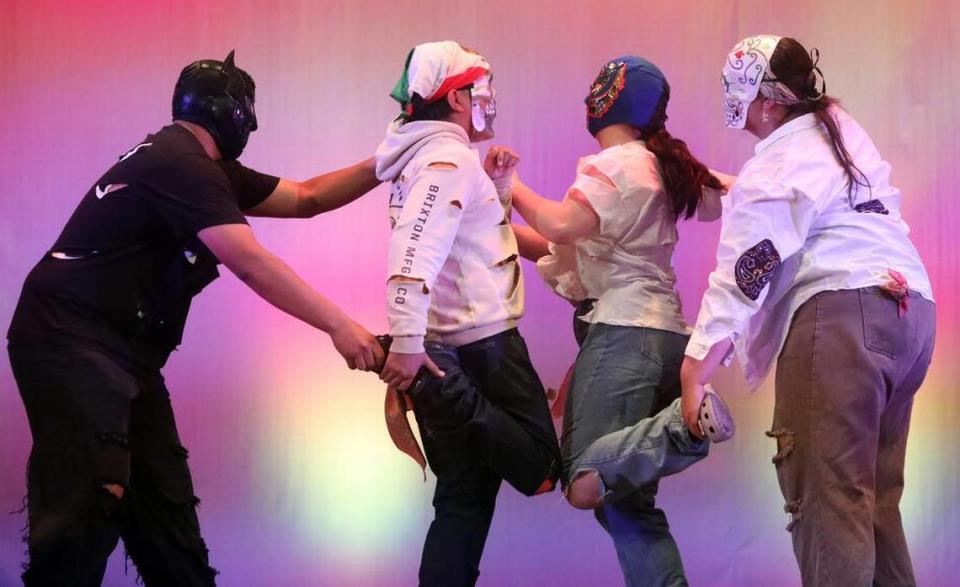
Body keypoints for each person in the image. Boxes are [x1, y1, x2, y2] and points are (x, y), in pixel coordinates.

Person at [6, 51, 384, 586]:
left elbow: (307, 198)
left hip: (123, 352)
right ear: (234, 113)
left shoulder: (196, 165)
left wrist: (387, 161)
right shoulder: (182, 165)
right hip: (71, 338)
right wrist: (340, 326)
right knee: (91, 495)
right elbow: (249, 262)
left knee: (165, 511)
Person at [680, 35, 935, 586]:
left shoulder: (782, 163)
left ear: (767, 101)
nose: (741, 115)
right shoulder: (837, 130)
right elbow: (811, 200)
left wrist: (695, 368)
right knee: (873, 506)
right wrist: (740, 189)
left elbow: (749, 263)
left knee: (827, 506)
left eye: (743, 101)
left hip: (843, 321)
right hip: (909, 311)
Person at [504, 56, 732, 586]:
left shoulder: (621, 163)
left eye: (602, 83)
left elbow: (560, 226)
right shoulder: (649, 165)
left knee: (584, 478)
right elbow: (569, 252)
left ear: (618, 98)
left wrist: (508, 184)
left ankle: (685, 428)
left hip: (627, 334)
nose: (591, 93)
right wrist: (485, 222)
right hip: (660, 335)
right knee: (623, 504)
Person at [374, 41, 561, 586]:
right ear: (457, 97)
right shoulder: (447, 158)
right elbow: (416, 246)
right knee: (541, 465)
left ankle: (443, 384)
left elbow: (468, 246)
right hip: (481, 347)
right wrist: (407, 343)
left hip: (451, 340)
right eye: (482, 87)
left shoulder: (430, 156)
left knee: (461, 502)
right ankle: (444, 387)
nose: (489, 97)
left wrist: (498, 191)